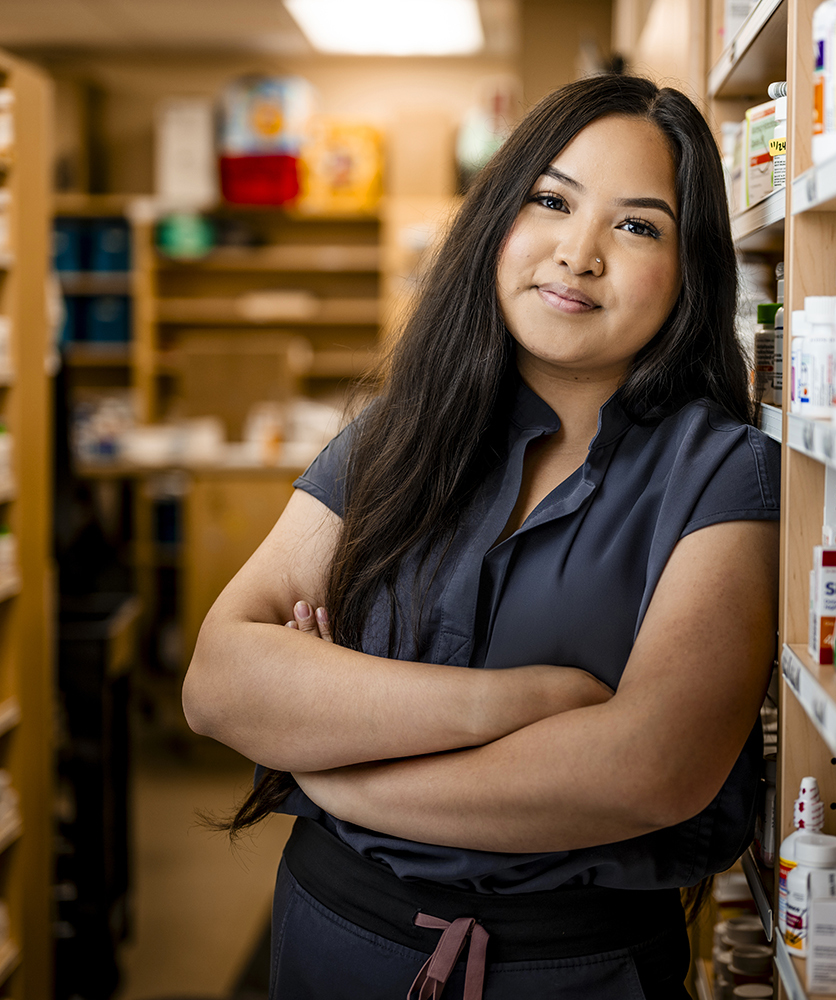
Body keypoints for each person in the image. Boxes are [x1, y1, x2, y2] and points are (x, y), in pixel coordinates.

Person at [184, 73, 780, 1000]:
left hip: (576, 973)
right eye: (551, 200)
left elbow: (651, 768)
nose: (577, 254)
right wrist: (525, 702)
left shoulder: (724, 475)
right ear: (498, 219)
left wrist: (339, 768)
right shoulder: (392, 437)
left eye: (637, 225)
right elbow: (221, 680)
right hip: (331, 936)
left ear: (691, 269)